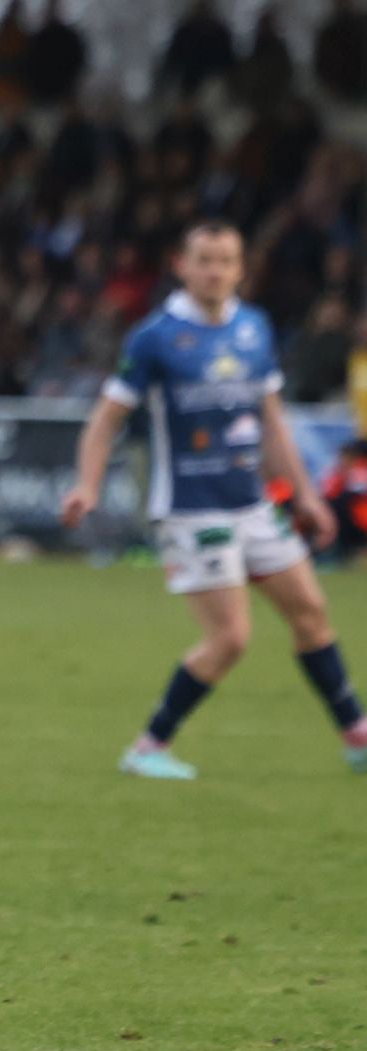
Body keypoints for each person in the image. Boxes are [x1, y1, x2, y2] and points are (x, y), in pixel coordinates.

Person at [62, 220, 367, 777]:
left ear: (241, 268)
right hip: (189, 507)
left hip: (249, 502)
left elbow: (271, 424)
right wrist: (87, 483)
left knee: (312, 614)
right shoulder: (154, 337)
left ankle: (356, 735)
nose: (215, 271)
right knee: (229, 638)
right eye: (204, 260)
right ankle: (147, 748)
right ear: (182, 265)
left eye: (226, 260)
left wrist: (304, 495)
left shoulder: (254, 329)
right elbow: (105, 421)